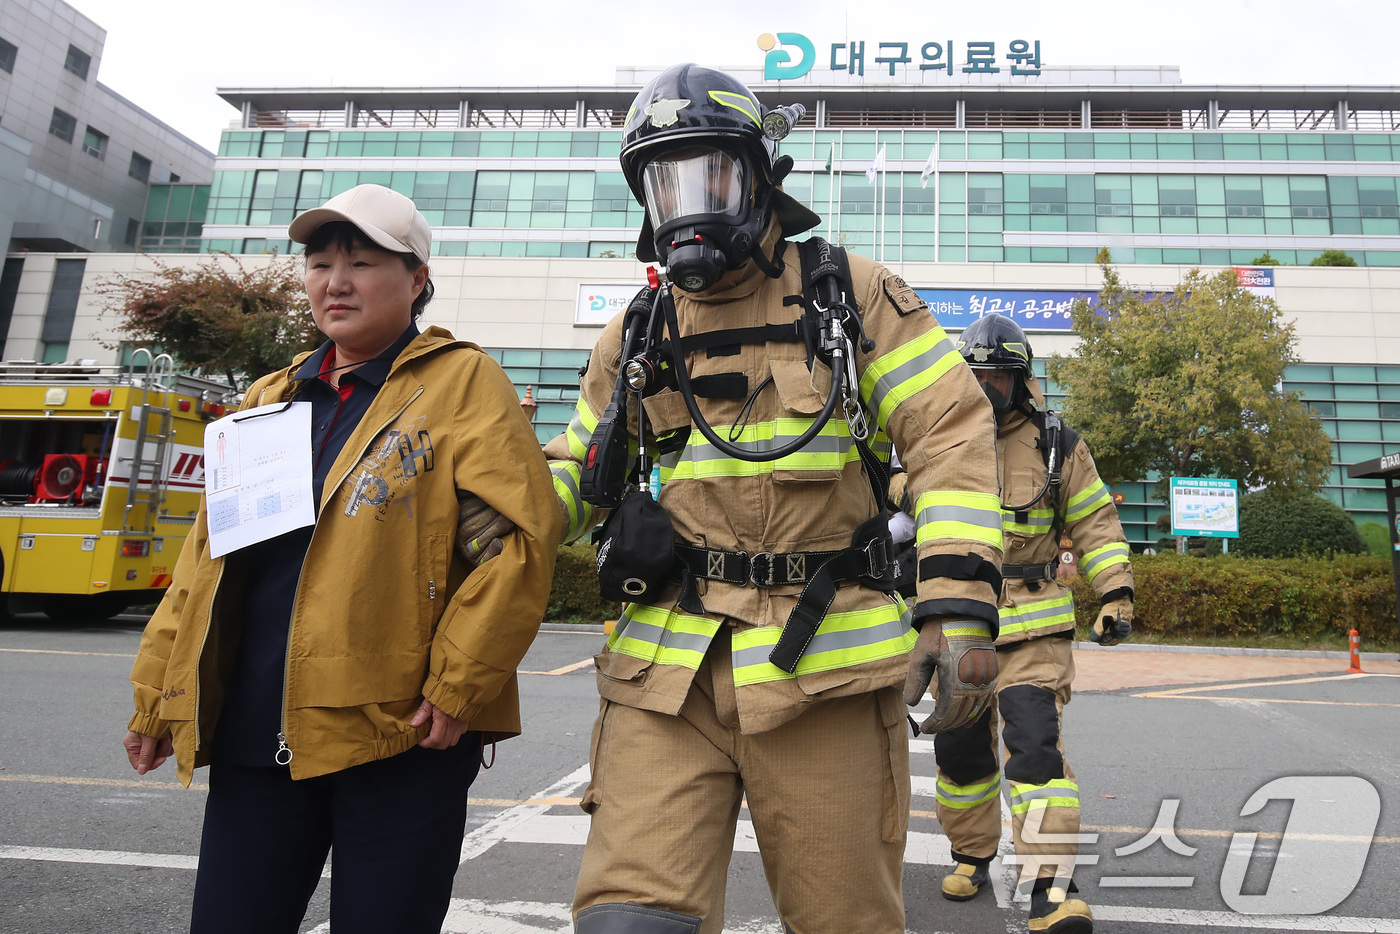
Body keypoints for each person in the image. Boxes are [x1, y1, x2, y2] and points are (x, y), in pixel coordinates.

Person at [543, 64, 1005, 934]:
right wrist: (493, 516)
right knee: (625, 923)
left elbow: (952, 439)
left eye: (708, 173)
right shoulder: (638, 330)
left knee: (844, 923)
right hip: (664, 673)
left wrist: (959, 609)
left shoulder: (853, 296)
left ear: (760, 177)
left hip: (824, 668)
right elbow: (579, 462)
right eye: (663, 179)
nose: (687, 202)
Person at [122, 183, 561, 934]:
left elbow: (519, 543)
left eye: (361, 261)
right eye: (320, 263)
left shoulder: (460, 382)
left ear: (418, 278)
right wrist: (160, 695)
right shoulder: (270, 395)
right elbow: (204, 562)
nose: (336, 281)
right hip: (255, 732)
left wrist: (460, 684)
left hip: (404, 734)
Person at [926, 312, 1135, 934]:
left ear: (1020, 381)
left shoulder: (1057, 444)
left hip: (1034, 629)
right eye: (975, 376)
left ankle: (1051, 887)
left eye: (997, 377)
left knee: (1036, 750)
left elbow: (1096, 520)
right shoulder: (937, 438)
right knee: (961, 753)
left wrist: (1115, 593)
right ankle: (972, 853)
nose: (984, 388)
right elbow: (894, 502)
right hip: (960, 625)